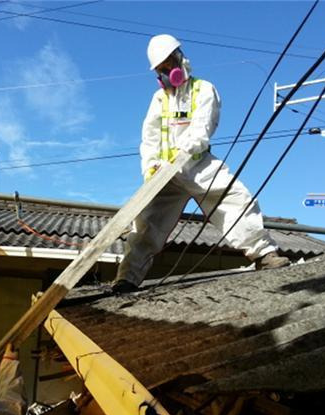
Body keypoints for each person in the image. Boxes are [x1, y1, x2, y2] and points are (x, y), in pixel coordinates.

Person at [113, 34, 290, 294]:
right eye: (160, 70)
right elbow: (148, 138)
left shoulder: (203, 89)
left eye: (168, 65)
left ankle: (264, 254)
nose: (166, 73)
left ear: (181, 59)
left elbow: (202, 129)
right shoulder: (158, 100)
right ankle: (126, 279)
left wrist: (183, 153)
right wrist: (150, 168)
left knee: (235, 198)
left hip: (198, 165)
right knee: (145, 223)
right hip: (165, 174)